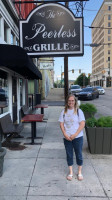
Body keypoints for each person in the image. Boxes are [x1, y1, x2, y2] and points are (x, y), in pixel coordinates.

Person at [58, 94, 85, 181]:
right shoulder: (63, 112)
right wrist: (65, 134)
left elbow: (82, 124)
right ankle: (71, 172)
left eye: (72, 100)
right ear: (67, 102)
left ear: (75, 102)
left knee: (79, 155)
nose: (71, 102)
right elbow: (61, 124)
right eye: (69, 101)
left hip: (78, 137)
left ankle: (79, 172)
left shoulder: (79, 111)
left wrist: (75, 134)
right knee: (69, 155)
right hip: (67, 138)